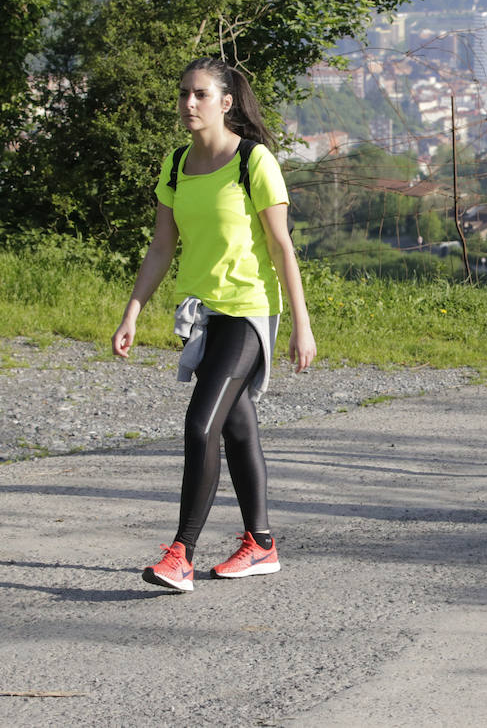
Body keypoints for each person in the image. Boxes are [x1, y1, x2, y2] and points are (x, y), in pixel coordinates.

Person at [113, 57, 316, 592]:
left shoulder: (254, 160)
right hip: (204, 314)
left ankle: (181, 553)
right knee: (237, 425)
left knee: (200, 423)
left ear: (226, 103)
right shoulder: (176, 164)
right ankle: (261, 544)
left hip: (248, 310)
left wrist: (301, 323)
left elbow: (281, 247)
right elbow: (162, 246)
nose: (188, 104)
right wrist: (132, 311)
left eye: (200, 94)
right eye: (183, 94)